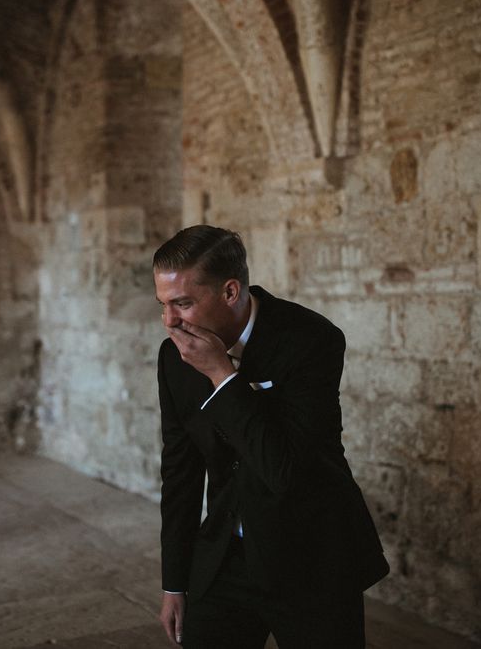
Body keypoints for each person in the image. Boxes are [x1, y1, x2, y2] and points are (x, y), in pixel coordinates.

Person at [153, 226, 389, 648]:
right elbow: (180, 471)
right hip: (226, 553)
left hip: (311, 553)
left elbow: (285, 471)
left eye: (183, 304)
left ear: (230, 292)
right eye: (164, 305)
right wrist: (175, 583)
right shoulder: (174, 356)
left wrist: (221, 376)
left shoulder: (311, 339)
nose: (170, 321)